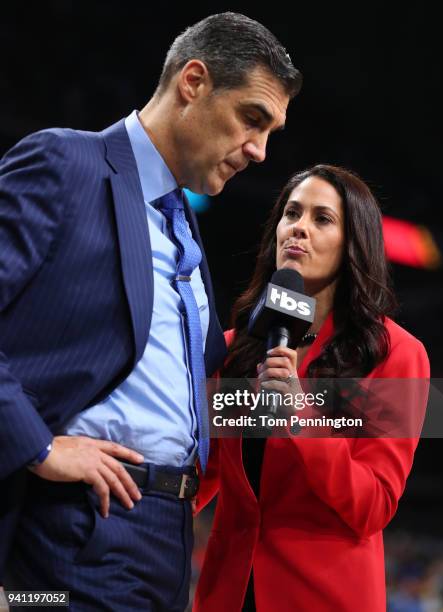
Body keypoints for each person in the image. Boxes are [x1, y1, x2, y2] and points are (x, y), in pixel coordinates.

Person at [0, 12, 302, 611]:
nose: (261, 151)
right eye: (252, 119)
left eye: (271, 132)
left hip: (169, 536)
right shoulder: (66, 164)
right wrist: (37, 445)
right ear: (193, 81)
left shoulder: (184, 229)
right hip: (76, 531)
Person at [193, 165, 430, 612]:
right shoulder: (236, 347)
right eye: (292, 213)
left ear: (353, 242)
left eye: (322, 218)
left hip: (325, 598)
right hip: (227, 593)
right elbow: (204, 474)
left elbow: (373, 505)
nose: (298, 227)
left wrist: (301, 414)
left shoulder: (398, 355)